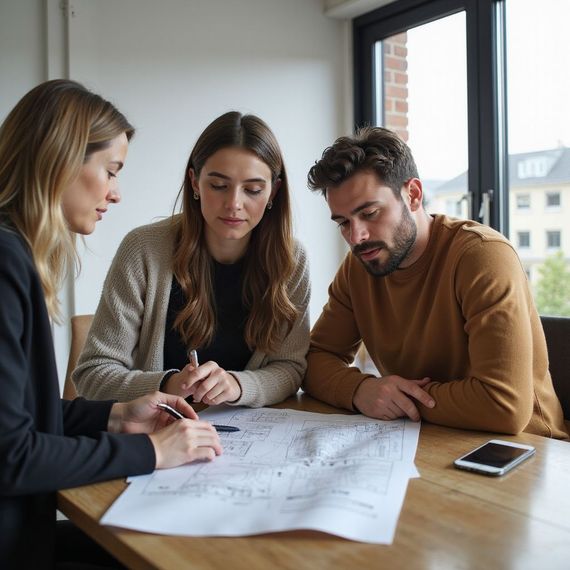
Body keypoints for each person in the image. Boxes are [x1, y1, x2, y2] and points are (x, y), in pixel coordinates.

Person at [0, 80, 222, 570]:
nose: (116, 193)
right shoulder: (5, 261)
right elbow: (11, 455)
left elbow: (18, 416)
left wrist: (116, 416)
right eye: (110, 171)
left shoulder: (15, 253)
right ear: (58, 159)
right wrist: (150, 452)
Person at [304, 126, 568, 439]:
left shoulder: (482, 256)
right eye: (343, 222)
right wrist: (362, 389)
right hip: (427, 438)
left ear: (413, 195)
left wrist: (396, 400)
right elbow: (314, 361)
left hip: (530, 450)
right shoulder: (360, 266)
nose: (356, 236)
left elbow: (504, 406)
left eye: (370, 213)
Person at [73, 111, 310, 407]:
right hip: (158, 436)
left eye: (253, 189)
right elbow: (93, 376)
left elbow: (291, 368)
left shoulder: (291, 260)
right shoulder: (143, 250)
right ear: (195, 182)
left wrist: (238, 385)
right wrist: (168, 384)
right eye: (219, 186)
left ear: (273, 191)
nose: (234, 204)